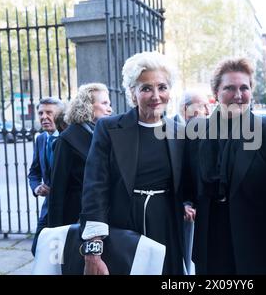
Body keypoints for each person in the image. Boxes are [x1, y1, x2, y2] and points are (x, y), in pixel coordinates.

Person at [184, 58, 266, 274]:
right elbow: (187, 185)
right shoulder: (196, 131)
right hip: (212, 245)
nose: (238, 95)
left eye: (244, 88)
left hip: (261, 245)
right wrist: (185, 203)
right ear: (216, 92)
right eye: (229, 88)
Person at [80, 51, 189, 275]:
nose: (156, 95)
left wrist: (188, 203)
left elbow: (187, 182)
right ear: (132, 93)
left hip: (167, 226)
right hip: (123, 227)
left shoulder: (180, 132)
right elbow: (95, 188)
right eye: (146, 88)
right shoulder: (109, 129)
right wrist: (93, 249)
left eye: (162, 87)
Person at [48, 83, 112, 228]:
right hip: (77, 216)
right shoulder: (68, 138)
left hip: (106, 213)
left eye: (109, 103)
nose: (110, 108)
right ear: (88, 106)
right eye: (104, 103)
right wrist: (55, 229)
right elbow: (58, 188)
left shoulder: (106, 134)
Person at [28, 97, 65, 255]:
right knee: (37, 248)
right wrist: (36, 187)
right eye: (40, 113)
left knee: (62, 253)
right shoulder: (41, 139)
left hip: (68, 206)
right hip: (48, 207)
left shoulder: (69, 137)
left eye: (49, 112)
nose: (44, 117)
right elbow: (34, 171)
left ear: (60, 114)